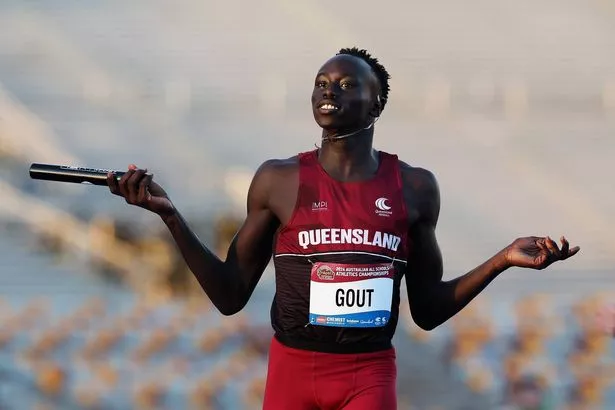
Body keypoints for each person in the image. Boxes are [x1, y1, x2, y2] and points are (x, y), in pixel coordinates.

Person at [106, 47, 580, 410]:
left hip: (368, 373)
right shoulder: (278, 179)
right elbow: (230, 296)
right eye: (321, 82)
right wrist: (171, 215)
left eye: (346, 84)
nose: (328, 91)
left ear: (376, 104)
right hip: (291, 370)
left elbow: (429, 310)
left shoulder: (415, 188)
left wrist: (501, 260)